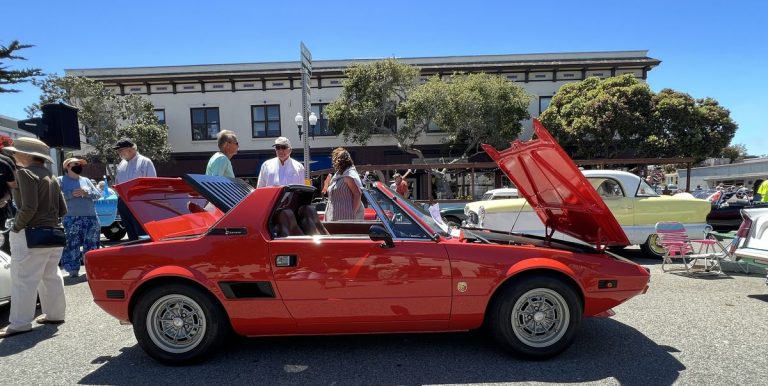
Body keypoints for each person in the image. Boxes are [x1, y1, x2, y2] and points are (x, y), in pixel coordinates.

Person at [0, 137, 68, 339]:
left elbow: (28, 207)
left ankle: (20, 324)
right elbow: (63, 209)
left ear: (28, 155)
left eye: (16, 152)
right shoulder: (52, 176)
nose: (13, 155)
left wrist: (16, 227)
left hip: (30, 232)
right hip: (53, 232)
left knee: (24, 280)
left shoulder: (25, 173)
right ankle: (56, 314)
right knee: (51, 276)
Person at [58, 158, 101, 278]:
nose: (79, 166)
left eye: (80, 164)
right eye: (75, 164)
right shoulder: (61, 180)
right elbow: (57, 197)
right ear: (67, 166)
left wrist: (87, 193)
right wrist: (71, 194)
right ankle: (73, 270)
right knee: (72, 244)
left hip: (91, 216)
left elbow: (98, 194)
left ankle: (92, 269)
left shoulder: (86, 180)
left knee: (92, 244)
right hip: (71, 217)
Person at [113, 138, 156, 240]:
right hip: (124, 202)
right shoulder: (121, 164)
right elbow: (117, 183)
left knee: (143, 235)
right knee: (131, 236)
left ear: (131, 149)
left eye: (121, 150)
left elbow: (152, 184)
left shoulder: (145, 162)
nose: (119, 153)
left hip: (139, 202)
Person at [325, 147, 363, 221]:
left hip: (346, 218)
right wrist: (327, 184)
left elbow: (357, 194)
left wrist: (352, 213)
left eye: (334, 160)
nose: (333, 162)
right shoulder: (337, 175)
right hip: (333, 216)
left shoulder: (349, 175)